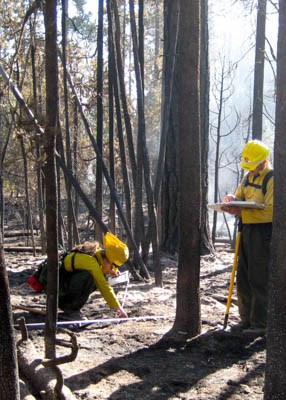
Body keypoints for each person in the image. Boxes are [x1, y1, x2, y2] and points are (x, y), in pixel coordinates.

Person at [223, 139, 273, 333]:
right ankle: (246, 319)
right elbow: (239, 197)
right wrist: (232, 201)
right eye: (248, 167)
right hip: (246, 230)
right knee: (242, 275)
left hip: (263, 233)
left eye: (253, 167)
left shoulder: (272, 179)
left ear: (264, 161)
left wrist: (242, 212)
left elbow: (271, 211)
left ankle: (261, 323)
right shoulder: (246, 178)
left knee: (258, 277)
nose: (250, 170)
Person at [29, 232, 129, 319]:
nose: (112, 270)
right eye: (112, 267)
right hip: (57, 291)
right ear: (106, 259)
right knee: (90, 277)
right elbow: (103, 286)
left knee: (97, 277)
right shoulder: (91, 262)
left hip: (62, 286)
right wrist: (118, 308)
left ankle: (70, 306)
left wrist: (112, 271)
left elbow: (104, 273)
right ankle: (70, 310)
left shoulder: (97, 255)